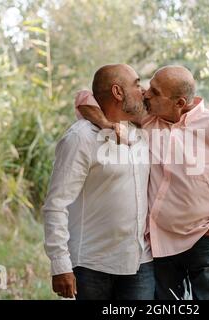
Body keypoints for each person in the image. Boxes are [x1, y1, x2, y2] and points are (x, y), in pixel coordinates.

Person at [75, 65, 209, 300]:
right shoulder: (146, 119)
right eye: (149, 86)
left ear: (179, 103)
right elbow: (84, 98)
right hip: (160, 246)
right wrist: (108, 125)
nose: (146, 94)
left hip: (204, 241)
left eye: (155, 92)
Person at [42, 64, 154, 300]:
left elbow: (83, 98)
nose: (143, 90)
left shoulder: (143, 131)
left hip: (140, 263)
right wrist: (60, 264)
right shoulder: (80, 138)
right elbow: (56, 205)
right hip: (91, 266)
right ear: (117, 92)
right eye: (136, 84)